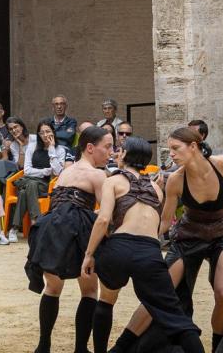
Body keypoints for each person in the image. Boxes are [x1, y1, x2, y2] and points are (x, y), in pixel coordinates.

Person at [116, 126, 223, 353]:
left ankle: (218, 348)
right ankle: (122, 347)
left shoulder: (220, 164)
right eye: (168, 149)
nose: (170, 153)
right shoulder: (176, 180)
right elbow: (165, 221)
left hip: (221, 233)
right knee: (161, 292)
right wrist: (143, 240)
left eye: (175, 148)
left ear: (193, 146)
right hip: (188, 235)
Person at [83, 137, 207, 353]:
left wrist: (89, 254)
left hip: (118, 249)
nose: (116, 154)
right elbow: (155, 223)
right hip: (149, 252)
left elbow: (103, 220)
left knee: (106, 301)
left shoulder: (113, 180)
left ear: (125, 156)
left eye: (119, 151)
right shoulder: (156, 189)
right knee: (176, 318)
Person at [22, 124, 117, 353]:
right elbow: (106, 215)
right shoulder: (97, 174)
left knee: (53, 289)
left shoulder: (67, 171)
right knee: (89, 291)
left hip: (51, 229)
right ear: (91, 148)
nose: (111, 151)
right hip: (78, 230)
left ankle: (43, 345)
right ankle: (80, 349)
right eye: (108, 146)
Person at [13, 118, 71, 235]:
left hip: (47, 185)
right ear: (38, 134)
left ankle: (14, 228)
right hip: (32, 181)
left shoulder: (59, 150)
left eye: (48, 131)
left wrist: (51, 148)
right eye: (42, 132)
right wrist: (45, 171)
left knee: (25, 191)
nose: (45, 135)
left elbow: (57, 172)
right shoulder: (32, 147)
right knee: (31, 184)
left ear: (53, 132)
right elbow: (27, 170)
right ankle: (36, 220)